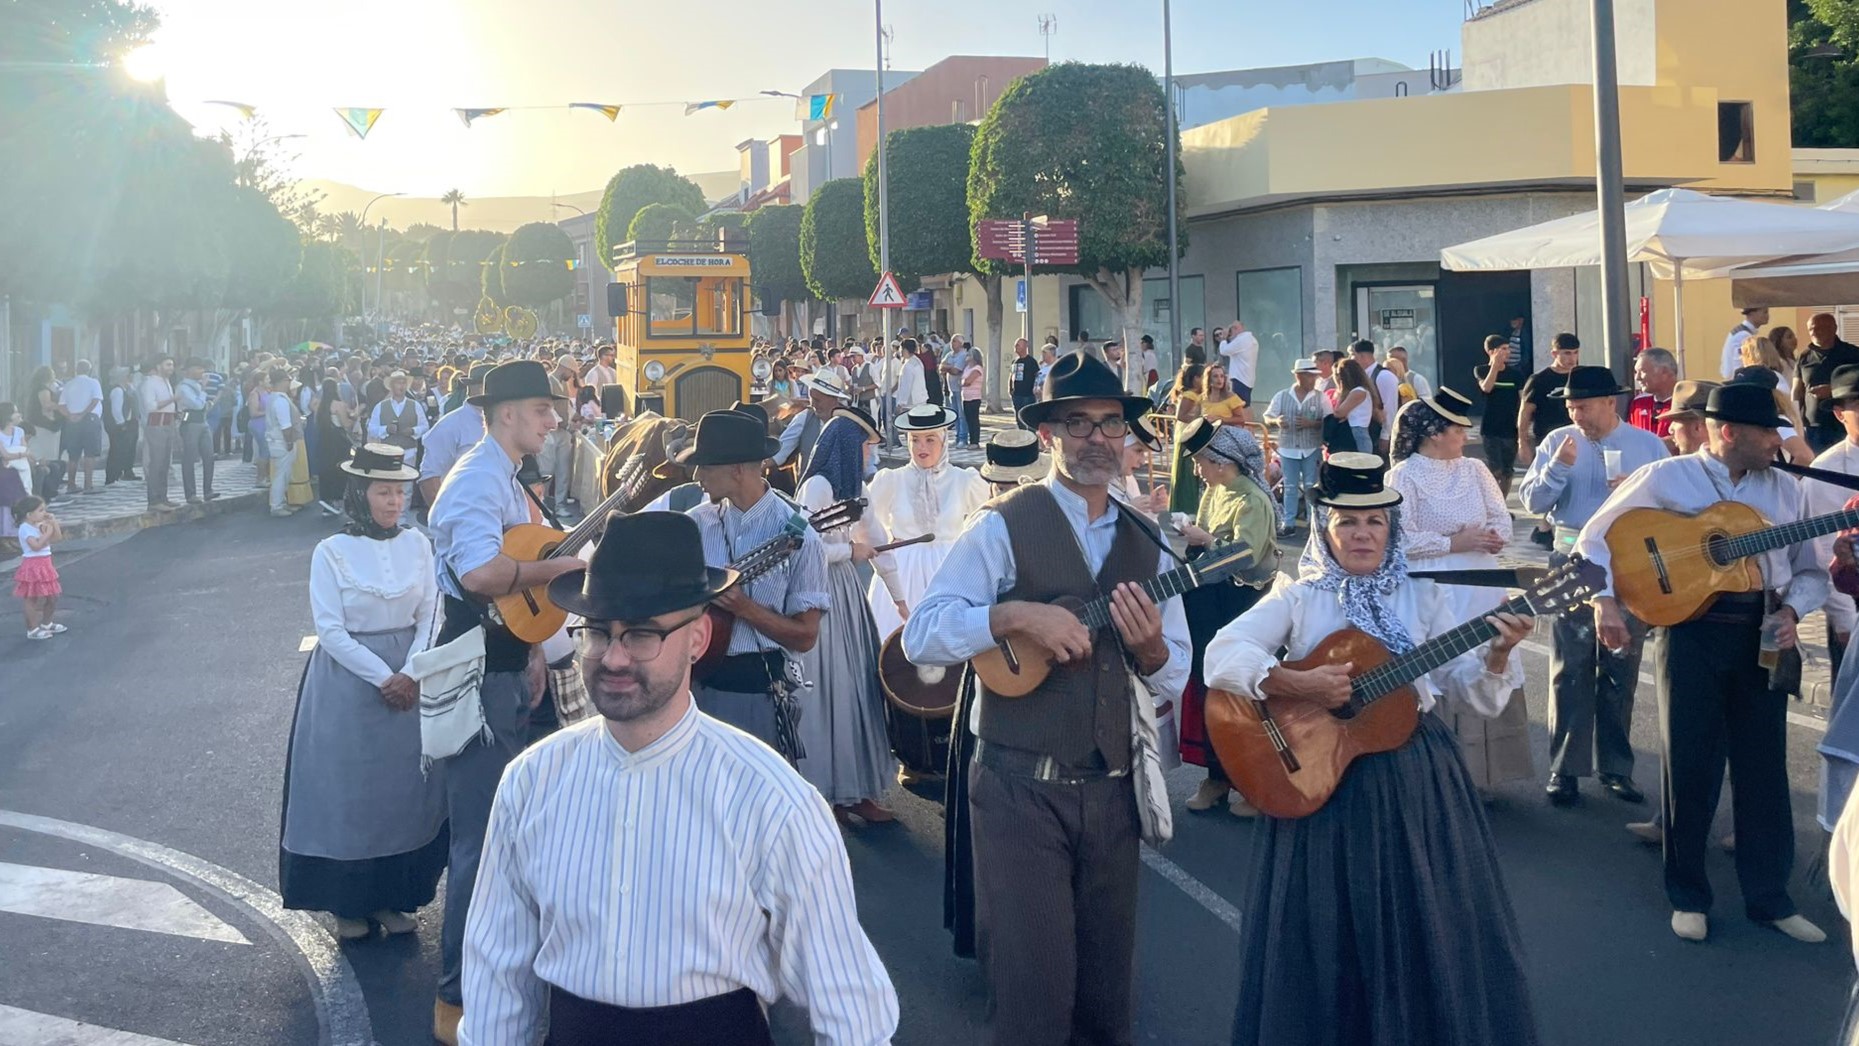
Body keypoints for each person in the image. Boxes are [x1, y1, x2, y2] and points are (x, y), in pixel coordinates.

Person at [459, 511, 899, 1044]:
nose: (613, 657)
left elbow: (849, 1006)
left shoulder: (772, 800)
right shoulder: (531, 782)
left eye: (641, 634)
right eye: (598, 632)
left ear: (697, 638)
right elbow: (497, 975)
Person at [1204, 453, 1539, 1046]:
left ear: (1392, 531)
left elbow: (1474, 694)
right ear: (1326, 532)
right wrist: (1296, 683)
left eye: (1375, 524)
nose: (1362, 535)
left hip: (1418, 774)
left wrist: (1498, 655)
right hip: (1323, 782)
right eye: (1348, 523)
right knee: (1326, 924)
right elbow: (1221, 656)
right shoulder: (1299, 596)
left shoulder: (1426, 596)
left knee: (1427, 918)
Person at [904, 351, 1189, 1046]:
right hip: (1017, 787)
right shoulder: (1002, 525)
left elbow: (1173, 671)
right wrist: (1010, 618)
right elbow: (922, 636)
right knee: (1033, 990)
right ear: (1050, 435)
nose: (1097, 438)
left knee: (1105, 992)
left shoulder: (1151, 544)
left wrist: (1149, 649)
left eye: (1110, 424)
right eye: (1078, 423)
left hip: (1112, 787)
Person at [1578, 383, 1830, 944]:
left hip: (1761, 635)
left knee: (1764, 770)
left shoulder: (1790, 490)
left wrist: (1793, 609)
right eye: (1769, 431)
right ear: (1732, 432)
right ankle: (1688, 893)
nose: (1777, 440)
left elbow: (1811, 570)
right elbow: (1592, 542)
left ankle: (1771, 899)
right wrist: (1604, 601)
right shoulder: (1669, 478)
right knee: (1691, 766)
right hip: (1690, 635)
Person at [424, 359, 583, 1044]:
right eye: (543, 410)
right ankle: (456, 1001)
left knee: (505, 835)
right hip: (476, 670)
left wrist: (534, 653)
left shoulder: (506, 475)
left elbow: (512, 593)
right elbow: (481, 572)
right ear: (508, 413)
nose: (553, 420)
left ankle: (494, 982)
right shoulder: (477, 479)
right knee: (480, 842)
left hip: (504, 662)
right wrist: (559, 567)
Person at [279, 444, 445, 941]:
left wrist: (412, 671)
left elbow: (431, 613)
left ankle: (394, 898)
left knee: (402, 793)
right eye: (383, 492)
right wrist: (384, 678)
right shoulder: (330, 552)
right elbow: (330, 630)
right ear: (360, 493)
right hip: (350, 686)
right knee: (350, 796)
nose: (394, 502)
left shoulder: (419, 544)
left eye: (400, 491)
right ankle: (348, 905)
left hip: (410, 682)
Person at [1517, 365, 1666, 806]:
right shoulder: (1558, 442)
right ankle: (1565, 768)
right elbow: (1532, 503)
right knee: (1572, 664)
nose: (1575, 414)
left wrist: (1636, 494)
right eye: (1570, 406)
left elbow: (1671, 506)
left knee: (1621, 664)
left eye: (1581, 406)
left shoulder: (1648, 445)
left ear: (1609, 403)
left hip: (1630, 562)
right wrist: (1558, 470)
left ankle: (1616, 768)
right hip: (1572, 559)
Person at [1388, 389, 1534, 790]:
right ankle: (1441, 775)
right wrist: (1454, 541)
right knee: (1443, 662)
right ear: (1434, 433)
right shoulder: (1403, 475)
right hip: (1432, 580)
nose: (1463, 437)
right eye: (1456, 429)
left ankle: (1484, 775)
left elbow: (1502, 521)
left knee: (1486, 653)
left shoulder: (1475, 469)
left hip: (1480, 578)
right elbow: (1399, 541)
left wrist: (1490, 538)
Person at [679, 409, 829, 757]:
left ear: (737, 469)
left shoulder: (801, 536)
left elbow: (806, 636)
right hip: (690, 686)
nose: (697, 476)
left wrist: (744, 608)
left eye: (707, 466)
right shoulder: (695, 524)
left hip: (753, 693)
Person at [793, 408, 897, 825]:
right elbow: (801, 545)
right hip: (818, 593)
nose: (872, 454)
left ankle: (856, 793)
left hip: (847, 597)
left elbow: (877, 539)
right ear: (852, 448)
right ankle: (825, 796)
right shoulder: (816, 487)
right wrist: (847, 553)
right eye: (869, 446)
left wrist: (903, 601)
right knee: (827, 691)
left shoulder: (853, 488)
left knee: (857, 689)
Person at [1175, 419, 1279, 816]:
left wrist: (1207, 540)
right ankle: (1216, 777)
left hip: (1239, 605)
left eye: (1200, 461)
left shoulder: (1251, 498)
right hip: (1206, 602)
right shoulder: (1213, 491)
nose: (1197, 468)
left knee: (1240, 689)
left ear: (1221, 461)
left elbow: (1246, 554)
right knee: (1207, 687)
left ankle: (1252, 781)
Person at [864, 403, 991, 640]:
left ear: (943, 441)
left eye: (930, 439)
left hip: (951, 572)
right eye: (915, 440)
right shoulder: (892, 480)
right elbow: (868, 524)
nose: (922, 447)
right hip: (902, 572)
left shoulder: (963, 480)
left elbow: (987, 524)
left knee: (949, 646)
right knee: (894, 649)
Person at [1261, 357, 1326, 534]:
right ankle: (1288, 523)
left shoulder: (1320, 397)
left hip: (1311, 447)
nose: (1314, 380)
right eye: (1310, 376)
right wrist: (1276, 421)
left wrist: (1311, 423)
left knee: (1311, 485)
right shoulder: (1282, 396)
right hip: (1288, 447)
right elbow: (1267, 417)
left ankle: (1313, 522)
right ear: (1299, 376)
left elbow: (1329, 420)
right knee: (1290, 486)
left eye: (1314, 376)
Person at [1796, 312, 1859, 454]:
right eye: (1811, 329)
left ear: (1833, 328)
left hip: (1843, 424)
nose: (1814, 332)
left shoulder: (1852, 353)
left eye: (1819, 328)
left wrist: (1832, 391)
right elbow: (1797, 390)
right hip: (1813, 426)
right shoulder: (1804, 356)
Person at [1516, 333, 1581, 462]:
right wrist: (1522, 443)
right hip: (1547, 439)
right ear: (1554, 354)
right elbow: (1525, 412)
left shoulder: (1581, 377)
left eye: (1575, 353)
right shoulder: (1539, 380)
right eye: (1567, 353)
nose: (1572, 358)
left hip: (1577, 438)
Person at [774, 370, 852, 478]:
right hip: (808, 490)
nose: (813, 404)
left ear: (834, 400)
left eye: (818, 400)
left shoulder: (849, 423)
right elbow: (781, 451)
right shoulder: (804, 418)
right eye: (811, 398)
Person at [12, 494, 65, 640]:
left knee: (52, 596)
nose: (44, 513)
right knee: (32, 597)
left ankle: (47, 623)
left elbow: (57, 538)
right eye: (41, 510)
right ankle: (32, 629)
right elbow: (35, 546)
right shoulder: (25, 528)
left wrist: (53, 524)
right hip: (33, 564)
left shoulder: (40, 525)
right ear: (29, 514)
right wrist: (47, 533)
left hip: (46, 563)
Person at [139, 356, 182, 511]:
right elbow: (150, 406)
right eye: (168, 364)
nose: (171, 367)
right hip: (156, 424)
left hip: (168, 423)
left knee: (165, 463)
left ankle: (163, 497)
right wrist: (172, 399)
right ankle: (154, 501)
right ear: (158, 366)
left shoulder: (166, 381)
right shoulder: (149, 383)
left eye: (172, 364)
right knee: (156, 463)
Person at [57, 359, 103, 496]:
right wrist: (83, 414)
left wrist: (70, 416)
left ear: (76, 370)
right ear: (89, 370)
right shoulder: (94, 382)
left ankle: (71, 484)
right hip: (89, 419)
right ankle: (88, 485)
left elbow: (61, 405)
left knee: (73, 454)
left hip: (72, 420)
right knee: (90, 453)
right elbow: (96, 400)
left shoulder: (69, 384)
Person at [176, 359, 219, 504]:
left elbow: (203, 406)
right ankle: (191, 494)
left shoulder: (198, 386)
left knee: (209, 456)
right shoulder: (183, 387)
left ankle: (208, 490)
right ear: (189, 370)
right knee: (189, 459)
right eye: (199, 368)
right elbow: (196, 404)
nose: (202, 372)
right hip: (190, 422)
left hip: (202, 421)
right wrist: (204, 391)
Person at [24, 366, 66, 504]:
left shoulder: (36, 388)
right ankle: (46, 492)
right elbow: (47, 405)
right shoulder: (43, 389)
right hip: (44, 427)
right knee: (48, 460)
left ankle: (48, 491)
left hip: (44, 427)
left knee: (50, 460)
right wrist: (61, 406)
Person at [1167, 362, 1206, 515]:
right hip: (1187, 435)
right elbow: (1181, 416)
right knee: (1187, 472)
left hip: (1191, 433)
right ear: (1195, 378)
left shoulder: (1198, 395)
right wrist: (1199, 419)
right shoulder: (1189, 395)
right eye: (1202, 377)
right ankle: (1186, 508)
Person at [313, 378, 354, 516]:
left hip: (324, 439)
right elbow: (346, 424)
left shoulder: (320, 405)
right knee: (340, 469)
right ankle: (336, 499)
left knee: (326, 469)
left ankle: (326, 500)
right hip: (338, 441)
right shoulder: (339, 404)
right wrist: (354, 417)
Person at [1352, 340, 1400, 455]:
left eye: (1353, 355)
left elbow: (1390, 407)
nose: (1351, 359)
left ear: (1362, 356)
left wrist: (1385, 436)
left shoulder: (1384, 376)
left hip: (1378, 433)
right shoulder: (1360, 376)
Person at [1628, 347, 1680, 447]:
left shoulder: (1686, 403)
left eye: (1642, 371)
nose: (1637, 377)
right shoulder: (1639, 403)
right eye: (1636, 372)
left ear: (1664, 372)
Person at [0, 403, 32, 539]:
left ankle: (18, 531)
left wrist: (17, 456)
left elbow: (26, 450)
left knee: (21, 497)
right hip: (4, 471)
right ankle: (6, 533)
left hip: (19, 469)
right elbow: (4, 455)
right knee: (7, 498)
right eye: (15, 412)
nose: (18, 414)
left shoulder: (20, 431)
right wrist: (19, 455)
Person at [104, 367, 139, 486]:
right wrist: (121, 424)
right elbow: (116, 410)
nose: (131, 378)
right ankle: (112, 477)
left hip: (127, 423)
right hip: (119, 425)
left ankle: (124, 473)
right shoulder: (117, 391)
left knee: (125, 450)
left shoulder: (127, 389)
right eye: (129, 376)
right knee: (117, 451)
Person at [1332, 357, 1375, 453]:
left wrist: (1342, 391)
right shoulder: (1359, 391)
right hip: (1354, 431)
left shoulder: (1358, 391)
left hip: (1358, 431)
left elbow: (1338, 412)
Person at [1218, 320, 1260, 406]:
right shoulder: (1251, 339)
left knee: (1240, 406)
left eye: (1230, 331)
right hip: (1247, 378)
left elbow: (1224, 351)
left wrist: (1224, 339)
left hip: (1239, 378)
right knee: (1245, 405)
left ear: (1235, 329)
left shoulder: (1242, 339)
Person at [1720, 305, 1769, 380]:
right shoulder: (1743, 335)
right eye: (1765, 312)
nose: (1767, 316)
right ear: (1752, 313)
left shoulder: (1742, 332)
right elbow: (1739, 364)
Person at [1010, 338, 1038, 428]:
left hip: (1028, 395)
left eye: (1018, 345)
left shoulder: (1031, 362)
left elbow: (1037, 376)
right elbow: (1011, 376)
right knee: (1019, 419)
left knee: (1027, 418)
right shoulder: (1015, 361)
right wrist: (1010, 388)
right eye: (1015, 345)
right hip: (1017, 395)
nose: (1015, 347)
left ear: (1025, 347)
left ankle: (1030, 438)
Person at [960, 350, 984, 447]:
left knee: (974, 420)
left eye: (969, 354)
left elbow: (968, 381)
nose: (967, 356)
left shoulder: (977, 368)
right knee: (968, 420)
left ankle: (975, 441)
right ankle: (971, 440)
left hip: (974, 398)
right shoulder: (967, 368)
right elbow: (962, 380)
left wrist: (962, 382)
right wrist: (962, 382)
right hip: (965, 398)